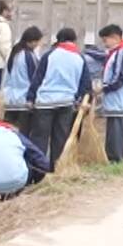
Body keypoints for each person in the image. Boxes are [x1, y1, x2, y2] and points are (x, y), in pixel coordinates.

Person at [31, 28, 84, 166]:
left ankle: (39, 169)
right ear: (74, 41)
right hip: (66, 102)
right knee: (60, 137)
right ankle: (57, 167)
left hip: (45, 102)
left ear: (58, 40)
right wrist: (80, 98)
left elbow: (38, 78)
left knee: (40, 138)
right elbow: (85, 83)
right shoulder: (79, 57)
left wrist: (30, 97)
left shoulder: (50, 55)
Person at [96, 24, 123, 163]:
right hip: (114, 100)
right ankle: (111, 157)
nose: (105, 44)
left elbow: (120, 77)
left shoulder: (121, 53)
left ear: (115, 38)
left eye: (106, 40)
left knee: (117, 130)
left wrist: (104, 88)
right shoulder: (114, 53)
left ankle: (116, 159)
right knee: (112, 130)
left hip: (120, 99)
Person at [0, 26, 45, 129]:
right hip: (23, 100)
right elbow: (34, 78)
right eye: (38, 41)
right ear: (33, 41)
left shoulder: (14, 53)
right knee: (23, 134)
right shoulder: (29, 56)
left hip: (10, 100)